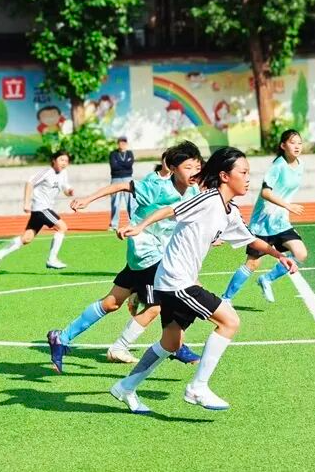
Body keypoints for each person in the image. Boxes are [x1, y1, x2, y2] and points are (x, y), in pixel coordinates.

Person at [109, 147, 298, 414]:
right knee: (229, 321)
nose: (248, 179)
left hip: (174, 281)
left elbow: (250, 239)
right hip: (177, 281)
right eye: (243, 173)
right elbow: (170, 209)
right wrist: (139, 226)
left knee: (171, 343)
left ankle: (125, 387)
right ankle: (197, 387)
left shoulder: (229, 211)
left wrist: (279, 255)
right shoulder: (208, 199)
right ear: (224, 176)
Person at [46, 142, 203, 373]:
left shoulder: (193, 190)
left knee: (111, 302)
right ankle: (133, 346)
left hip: (156, 253)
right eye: (188, 167)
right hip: (147, 251)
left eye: (197, 167)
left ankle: (61, 337)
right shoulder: (157, 186)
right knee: (157, 306)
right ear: (172, 168)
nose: (194, 173)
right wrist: (88, 199)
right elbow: (121, 186)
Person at [221, 129, 307, 304]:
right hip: (262, 223)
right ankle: (226, 299)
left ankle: (267, 279)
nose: (297, 146)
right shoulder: (278, 166)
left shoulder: (300, 165)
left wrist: (285, 209)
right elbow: (266, 193)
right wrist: (288, 205)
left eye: (299, 143)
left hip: (281, 223)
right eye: (292, 143)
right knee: (252, 264)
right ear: (283, 146)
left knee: (300, 253)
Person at [0, 150, 73, 273]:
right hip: (42, 208)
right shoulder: (47, 172)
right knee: (62, 227)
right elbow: (30, 182)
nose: (64, 163)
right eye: (61, 160)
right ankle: (52, 259)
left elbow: (65, 188)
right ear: (54, 160)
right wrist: (26, 203)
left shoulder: (63, 173)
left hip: (42, 210)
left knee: (27, 238)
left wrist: (69, 191)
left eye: (66, 161)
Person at [109, 136, 135, 230]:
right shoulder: (113, 154)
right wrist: (124, 164)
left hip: (128, 178)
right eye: (120, 143)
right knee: (115, 202)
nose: (122, 144)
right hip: (116, 179)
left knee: (130, 202)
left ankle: (133, 222)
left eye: (124, 143)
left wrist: (120, 164)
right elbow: (114, 166)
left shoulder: (129, 153)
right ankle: (114, 224)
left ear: (126, 144)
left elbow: (129, 165)